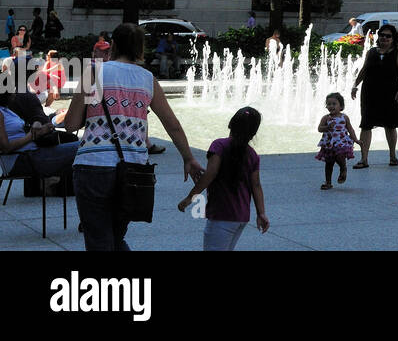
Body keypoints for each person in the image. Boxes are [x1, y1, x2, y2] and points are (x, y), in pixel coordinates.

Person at [63, 23, 204, 251]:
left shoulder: (94, 72)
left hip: (93, 167)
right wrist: (189, 158)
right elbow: (173, 125)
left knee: (99, 238)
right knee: (116, 238)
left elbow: (70, 125)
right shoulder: (148, 79)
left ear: (114, 45)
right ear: (140, 49)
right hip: (133, 171)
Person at [177, 107, 269, 250]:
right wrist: (261, 213)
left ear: (230, 124)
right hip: (241, 217)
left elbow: (210, 174)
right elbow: (256, 185)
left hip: (222, 215)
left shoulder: (219, 146)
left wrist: (190, 197)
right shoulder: (252, 155)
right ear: (253, 134)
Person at [350, 23, 398, 167]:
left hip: (390, 93)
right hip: (370, 92)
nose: (384, 38)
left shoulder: (397, 54)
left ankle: (393, 156)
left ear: (393, 38)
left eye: (388, 36)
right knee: (366, 124)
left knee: (390, 125)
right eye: (382, 35)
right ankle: (364, 159)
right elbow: (364, 70)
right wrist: (355, 85)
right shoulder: (372, 52)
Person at [0, 90, 79, 181]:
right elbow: (5, 148)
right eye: (11, 90)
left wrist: (37, 125)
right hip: (21, 161)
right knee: (83, 148)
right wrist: (33, 135)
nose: (15, 93)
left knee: (82, 147)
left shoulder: (6, 110)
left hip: (30, 155)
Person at [316, 91, 358, 188]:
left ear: (341, 106)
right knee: (329, 163)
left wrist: (356, 140)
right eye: (329, 104)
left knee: (340, 157)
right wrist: (326, 127)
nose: (331, 106)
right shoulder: (325, 118)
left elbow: (350, 129)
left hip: (341, 142)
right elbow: (319, 129)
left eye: (334, 104)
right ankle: (328, 182)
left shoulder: (344, 117)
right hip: (329, 143)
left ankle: (343, 169)